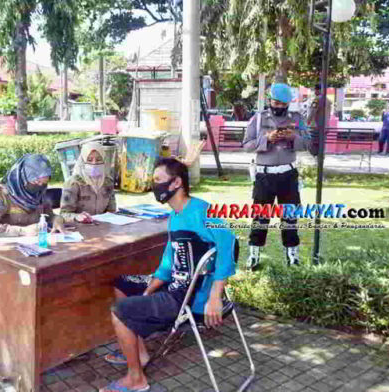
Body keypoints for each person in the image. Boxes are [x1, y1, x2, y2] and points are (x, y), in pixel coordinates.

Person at [100, 158, 237, 392]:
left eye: (158, 180)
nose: (154, 186)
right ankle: (139, 355)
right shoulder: (175, 217)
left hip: (187, 298)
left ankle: (136, 379)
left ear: (176, 183)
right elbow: (166, 263)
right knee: (121, 284)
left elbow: (228, 245)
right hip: (175, 285)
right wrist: (147, 291)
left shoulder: (203, 211)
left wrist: (215, 296)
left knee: (120, 312)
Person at [242, 83, 309, 270]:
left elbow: (308, 143)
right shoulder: (258, 118)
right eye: (275, 102)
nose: (278, 106)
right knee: (260, 217)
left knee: (290, 217)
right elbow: (247, 145)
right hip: (264, 176)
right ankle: (254, 255)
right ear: (270, 100)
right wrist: (267, 139)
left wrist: (293, 137)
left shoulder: (297, 119)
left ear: (288, 104)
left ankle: (292, 257)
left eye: (282, 104)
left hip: (288, 175)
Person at [0, 153, 65, 238]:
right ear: (23, 176)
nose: (39, 186)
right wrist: (22, 231)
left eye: (43, 183)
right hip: (9, 247)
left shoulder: (39, 192)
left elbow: (48, 215)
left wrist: (57, 219)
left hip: (37, 244)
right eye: (36, 181)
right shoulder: (2, 194)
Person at [60, 142, 117, 223]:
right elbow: (63, 214)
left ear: (104, 160)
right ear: (83, 161)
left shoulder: (108, 182)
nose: (94, 163)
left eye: (98, 159)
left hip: (102, 226)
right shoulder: (73, 183)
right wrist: (77, 217)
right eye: (89, 160)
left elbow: (112, 210)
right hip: (79, 228)